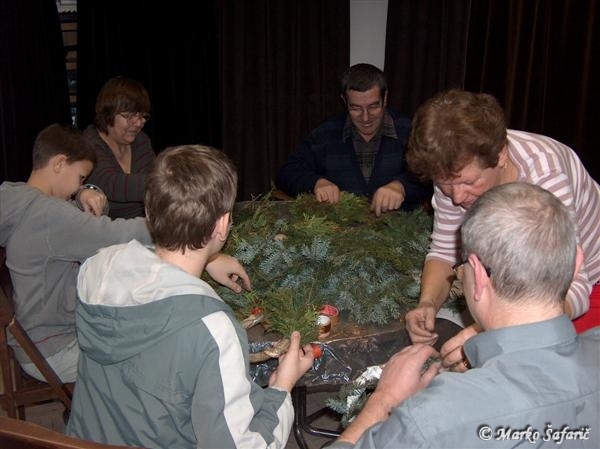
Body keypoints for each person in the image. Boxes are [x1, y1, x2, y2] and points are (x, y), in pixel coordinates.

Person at [66, 145, 315, 449]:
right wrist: (281, 389)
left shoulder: (96, 270)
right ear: (222, 225)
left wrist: (208, 259)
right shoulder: (213, 330)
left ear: (149, 213)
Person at [329, 182, 600, 449]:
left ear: (478, 275)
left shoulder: (430, 420)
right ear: (576, 264)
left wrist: (384, 400)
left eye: (461, 270)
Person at [0, 124, 251, 383]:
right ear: (59, 163)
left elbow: (69, 224)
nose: (79, 187)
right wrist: (192, 232)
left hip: (38, 338)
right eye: (81, 178)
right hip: (57, 349)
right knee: (164, 355)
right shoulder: (48, 217)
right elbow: (113, 235)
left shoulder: (22, 201)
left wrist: (85, 192)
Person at [404, 89, 600, 363]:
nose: (457, 198)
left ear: (501, 155)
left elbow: (571, 286)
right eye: (445, 185)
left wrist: (489, 333)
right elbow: (445, 252)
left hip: (589, 280)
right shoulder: (452, 171)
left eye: (469, 183)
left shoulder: (546, 175)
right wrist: (427, 303)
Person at [275, 63, 432, 216]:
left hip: (401, 228)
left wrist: (401, 186)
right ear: (344, 101)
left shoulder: (410, 131)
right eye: (355, 108)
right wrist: (316, 183)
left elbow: (431, 179)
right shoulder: (326, 133)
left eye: (373, 107)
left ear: (385, 98)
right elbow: (287, 172)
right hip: (341, 230)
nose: (365, 118)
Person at [84, 76, 156, 219]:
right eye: (129, 116)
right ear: (107, 114)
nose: (138, 123)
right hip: (111, 228)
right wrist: (167, 183)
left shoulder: (141, 140)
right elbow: (110, 183)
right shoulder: (88, 144)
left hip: (148, 223)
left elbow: (156, 173)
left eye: (142, 116)